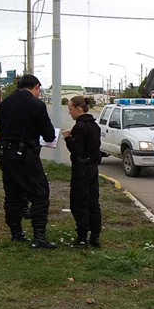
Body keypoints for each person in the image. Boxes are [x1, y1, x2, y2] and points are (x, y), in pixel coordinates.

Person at [0, 74, 57, 249]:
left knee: (12, 192)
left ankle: (16, 232)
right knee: (40, 193)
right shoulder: (36, 104)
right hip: (25, 155)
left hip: (5, 153)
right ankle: (39, 236)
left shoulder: (5, 103)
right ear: (36, 86)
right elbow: (48, 135)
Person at [62, 96, 102, 248]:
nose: (69, 113)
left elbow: (76, 150)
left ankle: (82, 238)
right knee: (93, 202)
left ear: (79, 109)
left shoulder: (80, 127)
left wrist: (67, 138)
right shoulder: (94, 126)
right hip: (92, 168)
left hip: (81, 169)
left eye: (70, 109)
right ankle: (95, 237)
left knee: (79, 203)